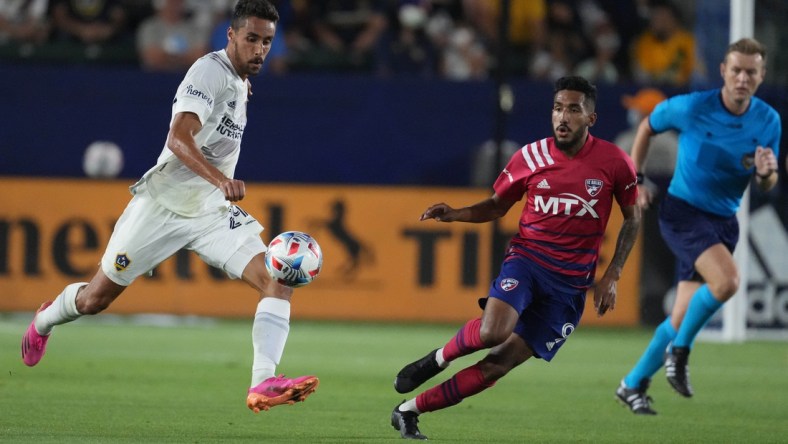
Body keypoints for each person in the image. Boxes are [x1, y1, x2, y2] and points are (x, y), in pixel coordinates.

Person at [20, 0, 319, 414]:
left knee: (278, 276)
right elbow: (179, 139)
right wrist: (221, 180)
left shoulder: (239, 81)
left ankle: (263, 382)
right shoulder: (208, 72)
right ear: (230, 35)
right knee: (94, 300)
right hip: (163, 206)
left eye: (267, 42)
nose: (260, 50)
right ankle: (43, 321)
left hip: (210, 212)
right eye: (251, 39)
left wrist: (215, 189)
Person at [390, 76, 642, 440]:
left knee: (497, 366)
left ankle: (408, 411)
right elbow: (496, 205)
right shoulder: (531, 156)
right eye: (558, 108)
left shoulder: (615, 162)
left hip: (569, 288)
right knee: (493, 331)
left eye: (574, 109)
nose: (563, 117)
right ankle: (438, 359)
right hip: (528, 261)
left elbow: (633, 219)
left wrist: (613, 274)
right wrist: (457, 213)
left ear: (591, 118)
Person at [615, 37, 781, 415]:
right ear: (723, 71)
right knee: (728, 282)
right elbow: (646, 127)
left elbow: (766, 181)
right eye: (736, 70)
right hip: (683, 213)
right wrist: (636, 180)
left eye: (750, 72)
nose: (742, 78)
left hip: (724, 222)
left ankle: (633, 383)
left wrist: (767, 173)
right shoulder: (692, 107)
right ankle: (681, 354)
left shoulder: (768, 120)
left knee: (679, 318)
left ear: (761, 76)